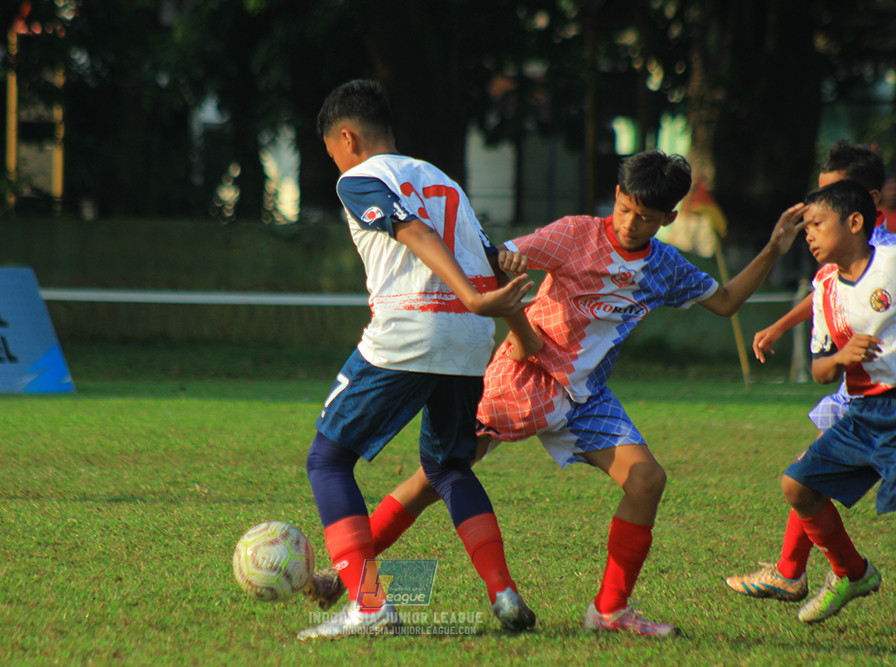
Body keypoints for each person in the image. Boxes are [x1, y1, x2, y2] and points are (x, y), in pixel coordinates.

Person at [308, 149, 808, 637]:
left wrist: (772, 250)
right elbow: (500, 266)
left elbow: (726, 301)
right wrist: (520, 320)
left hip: (585, 398)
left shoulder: (665, 266)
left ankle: (610, 610)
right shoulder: (575, 234)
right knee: (436, 476)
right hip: (523, 376)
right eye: (625, 209)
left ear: (669, 218)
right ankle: (342, 574)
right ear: (616, 194)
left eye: (645, 218)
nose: (630, 224)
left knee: (646, 480)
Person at [297, 79, 540, 641]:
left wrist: (475, 297)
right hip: (469, 341)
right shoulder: (441, 178)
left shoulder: (359, 177)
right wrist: (518, 333)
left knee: (328, 460)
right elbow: (491, 258)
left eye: (331, 152)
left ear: (347, 138)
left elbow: (412, 230)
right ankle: (503, 593)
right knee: (450, 468)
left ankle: (368, 605)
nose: (335, 163)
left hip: (410, 331)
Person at [726, 142, 895, 601]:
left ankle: (793, 570)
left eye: (822, 214)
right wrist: (786, 327)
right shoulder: (830, 275)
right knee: (804, 476)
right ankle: (818, 570)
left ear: (862, 209)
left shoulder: (887, 254)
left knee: (808, 472)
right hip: (861, 397)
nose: (810, 226)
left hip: (883, 395)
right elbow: (829, 297)